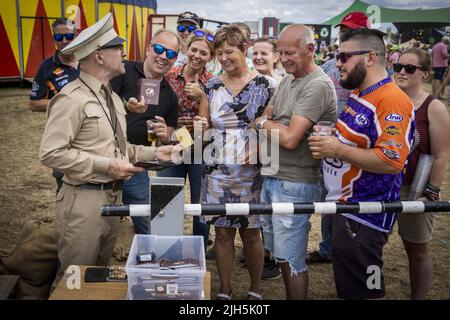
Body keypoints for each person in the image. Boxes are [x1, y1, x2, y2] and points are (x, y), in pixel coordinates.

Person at [39, 13, 180, 288]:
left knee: (96, 280)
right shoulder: (72, 98)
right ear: (99, 57)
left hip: (111, 200)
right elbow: (50, 153)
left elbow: (120, 148)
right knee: (73, 283)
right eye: (117, 47)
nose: (124, 52)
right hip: (83, 201)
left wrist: (156, 154)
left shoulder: (111, 97)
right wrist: (107, 166)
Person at [308, 28, 415, 299]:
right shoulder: (361, 92)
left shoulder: (391, 100)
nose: (337, 63)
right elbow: (358, 141)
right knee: (349, 285)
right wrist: (334, 138)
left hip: (366, 213)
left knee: (366, 290)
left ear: (370, 57)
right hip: (346, 207)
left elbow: (391, 160)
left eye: (343, 56)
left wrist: (336, 148)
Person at [255, 24, 337, 300]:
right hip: (275, 175)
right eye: (281, 53)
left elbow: (289, 138)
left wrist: (268, 124)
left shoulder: (317, 85)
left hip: (295, 182)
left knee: (292, 261)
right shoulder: (290, 78)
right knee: (281, 255)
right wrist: (273, 123)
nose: (284, 58)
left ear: (311, 50)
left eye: (290, 53)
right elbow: (269, 113)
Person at [199, 25, 276, 300]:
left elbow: (277, 126)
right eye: (219, 53)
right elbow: (204, 127)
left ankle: (256, 288)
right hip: (217, 170)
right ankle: (225, 290)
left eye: (229, 51)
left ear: (245, 49)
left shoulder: (267, 85)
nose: (223, 58)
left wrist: (259, 146)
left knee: (252, 232)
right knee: (221, 233)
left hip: (253, 171)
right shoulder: (210, 85)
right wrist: (197, 127)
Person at [307, 11, 371, 265]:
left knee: (354, 202)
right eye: (343, 29)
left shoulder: (371, 65)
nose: (345, 33)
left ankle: (353, 251)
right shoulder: (330, 65)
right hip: (328, 142)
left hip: (357, 144)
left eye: (352, 29)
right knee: (327, 198)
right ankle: (327, 249)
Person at [110, 29, 180, 235]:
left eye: (171, 54)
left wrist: (166, 134)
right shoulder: (123, 71)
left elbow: (165, 140)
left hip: (136, 167)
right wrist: (125, 106)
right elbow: (99, 106)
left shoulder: (170, 96)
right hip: (102, 157)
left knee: (150, 225)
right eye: (159, 49)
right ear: (148, 49)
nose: (163, 56)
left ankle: (152, 260)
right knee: (96, 222)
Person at [394, 48, 450, 299]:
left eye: (409, 68)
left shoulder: (434, 107)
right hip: (384, 184)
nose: (401, 72)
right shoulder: (389, 100)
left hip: (414, 189)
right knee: (370, 245)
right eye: (398, 67)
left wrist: (431, 193)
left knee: (416, 250)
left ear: (425, 73)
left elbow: (440, 155)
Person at [161, 28, 215, 249]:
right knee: (166, 198)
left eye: (204, 53)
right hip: (172, 145)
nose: (197, 56)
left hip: (202, 148)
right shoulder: (169, 76)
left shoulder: (213, 82)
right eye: (194, 50)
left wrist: (202, 97)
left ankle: (198, 248)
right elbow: (160, 112)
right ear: (186, 49)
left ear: (210, 57)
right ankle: (165, 245)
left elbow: (212, 121)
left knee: (200, 203)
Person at [30, 18, 79, 192]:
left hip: (92, 136)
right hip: (63, 137)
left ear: (76, 35)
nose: (64, 41)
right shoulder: (47, 66)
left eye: (69, 36)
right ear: (54, 38)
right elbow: (34, 103)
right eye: (59, 37)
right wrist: (62, 101)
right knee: (64, 185)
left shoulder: (89, 60)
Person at [251, 36, 282, 280]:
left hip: (272, 151)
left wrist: (261, 124)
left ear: (276, 56)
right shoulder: (251, 81)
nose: (259, 57)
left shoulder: (281, 84)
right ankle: (259, 253)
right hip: (252, 150)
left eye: (264, 53)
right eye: (255, 53)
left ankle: (272, 258)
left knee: (271, 208)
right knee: (257, 206)